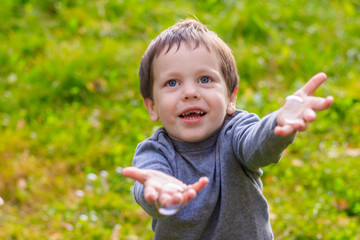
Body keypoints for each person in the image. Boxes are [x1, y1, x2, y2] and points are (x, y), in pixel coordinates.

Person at [122, 19, 334, 239]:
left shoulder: (235, 131)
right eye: (173, 83)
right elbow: (149, 180)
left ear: (231, 97)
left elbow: (257, 145)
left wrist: (278, 122)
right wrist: (157, 188)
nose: (190, 92)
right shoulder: (154, 152)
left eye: (205, 79)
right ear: (152, 106)